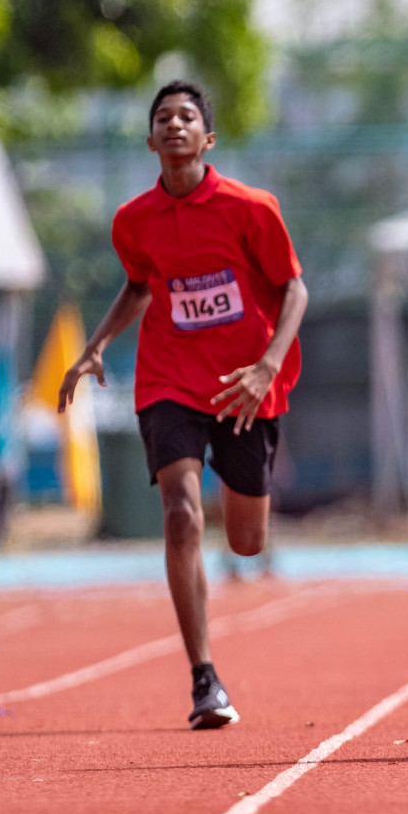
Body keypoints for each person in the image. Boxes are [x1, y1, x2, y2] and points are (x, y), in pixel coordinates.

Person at [58, 81, 307, 729]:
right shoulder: (132, 221)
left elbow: (294, 291)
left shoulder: (251, 208)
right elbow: (140, 286)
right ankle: (204, 678)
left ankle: (239, 511)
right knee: (181, 514)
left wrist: (268, 365)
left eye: (187, 116)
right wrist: (95, 345)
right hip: (169, 380)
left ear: (207, 137)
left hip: (246, 385)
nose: (174, 125)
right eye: (163, 118)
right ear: (150, 141)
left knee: (248, 542)